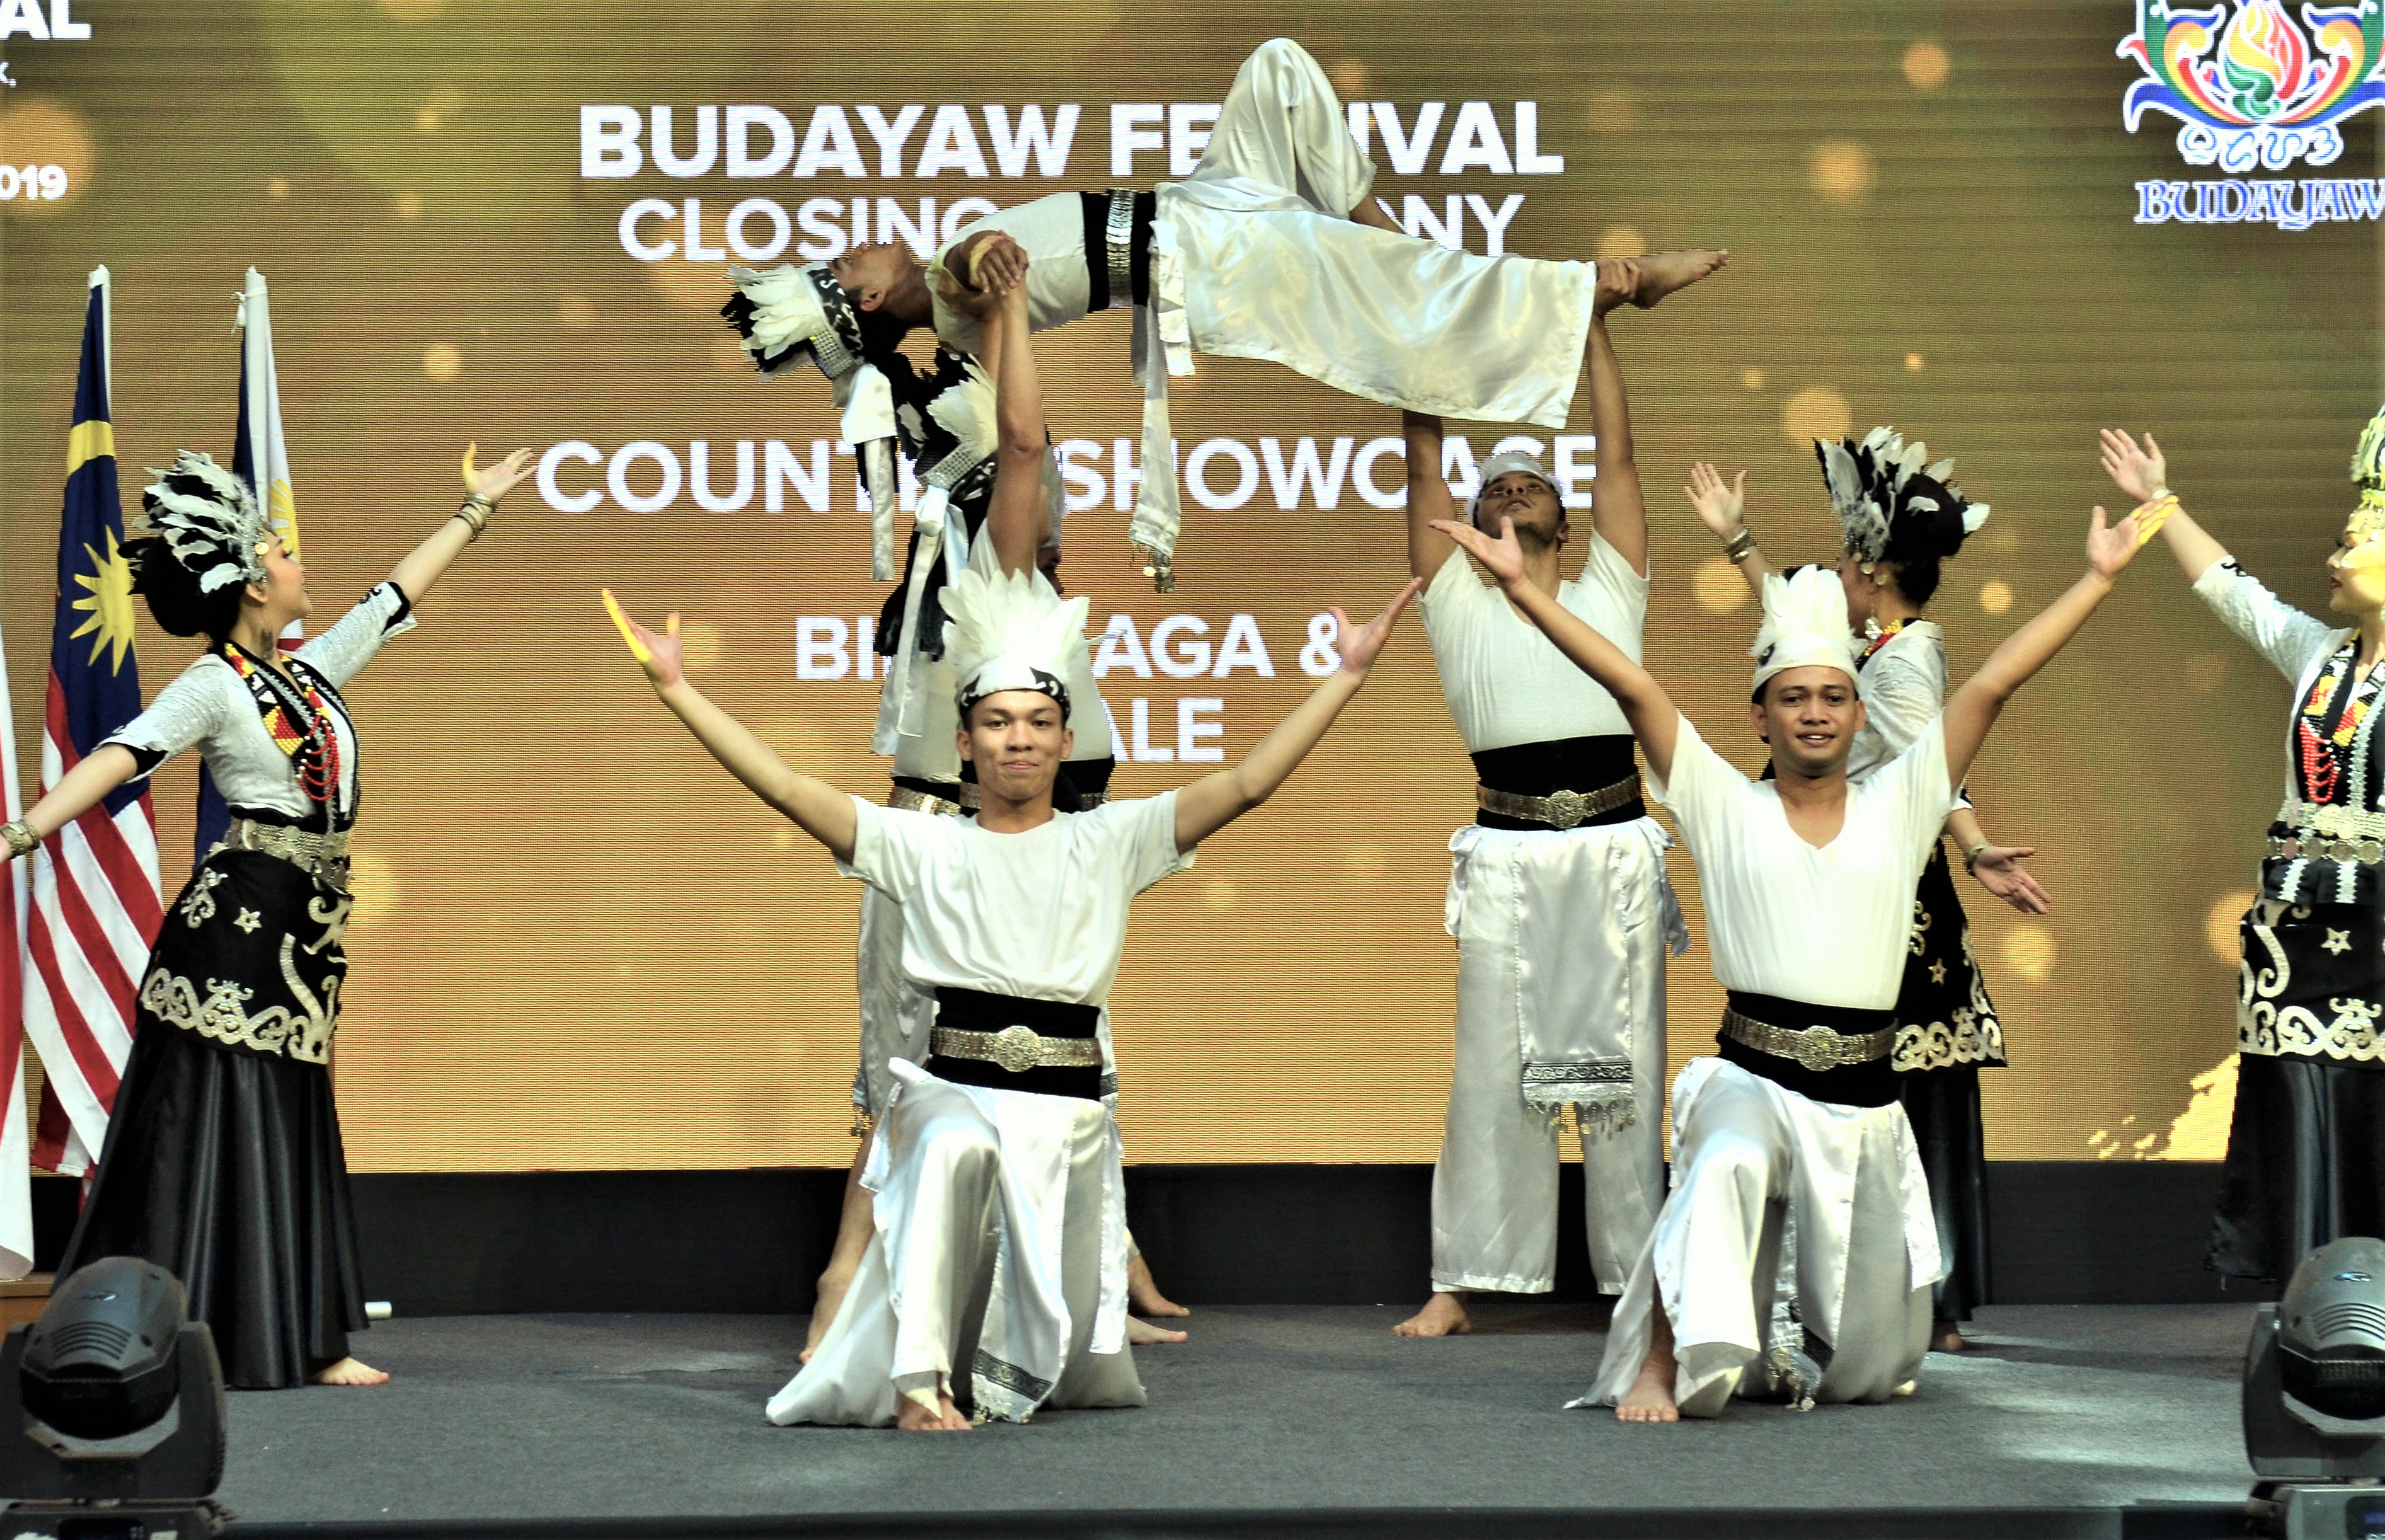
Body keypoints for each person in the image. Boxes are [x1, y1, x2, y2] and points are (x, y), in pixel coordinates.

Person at [606, 315, 1421, 1426]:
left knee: (1068, 1361)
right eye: (998, 724)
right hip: (956, 1089)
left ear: (1063, 735)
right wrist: (679, 692)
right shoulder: (926, 840)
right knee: (943, 1147)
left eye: (1039, 723)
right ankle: (914, 1383)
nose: (1021, 740)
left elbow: (1246, 783)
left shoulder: (1108, 838)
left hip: (1064, 1105)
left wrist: (1346, 678)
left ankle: (1008, 1341)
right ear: (967, 741)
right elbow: (789, 790)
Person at [1431, 489, 2151, 1420]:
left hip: (1865, 1103)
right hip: (1753, 1079)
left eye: (1833, 698)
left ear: (1858, 713)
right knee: (1723, 1160)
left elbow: (1989, 687)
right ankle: (1656, 1364)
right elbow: (1633, 688)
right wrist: (1525, 592)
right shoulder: (1722, 801)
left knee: (1870, 1374)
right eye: (1793, 699)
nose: (1814, 714)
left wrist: (2096, 580)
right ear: (1760, 718)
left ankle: (1801, 1330)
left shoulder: (1903, 802)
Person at [721, 37, 1723, 588]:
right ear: (866, 296)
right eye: (846, 261)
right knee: (1410, 293)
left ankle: (1393, 240)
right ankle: (1610, 282)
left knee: (1277, 69)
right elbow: (982, 268)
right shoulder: (952, 284)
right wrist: (986, 256)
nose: (859, 242)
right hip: (1207, 259)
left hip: (1198, 205)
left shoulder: (954, 296)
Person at [3, 443, 536, 1389]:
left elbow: (391, 599)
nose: (298, 563)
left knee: (288, 1115)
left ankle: (303, 1335)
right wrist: (22, 832)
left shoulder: (308, 673)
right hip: (237, 927)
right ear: (253, 585)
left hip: (304, 928)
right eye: (283, 553)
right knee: (232, 1119)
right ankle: (213, 1333)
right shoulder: (214, 685)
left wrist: (474, 510)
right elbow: (124, 754)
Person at [805, 297, 1185, 1368]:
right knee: (915, 1076)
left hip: (1039, 860)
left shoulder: (1019, 610)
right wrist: (1012, 309)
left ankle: (1086, 1273)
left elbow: (1022, 443)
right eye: (1040, 490)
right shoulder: (994, 585)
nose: (1052, 499)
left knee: (1058, 1065)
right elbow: (1020, 441)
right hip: (960, 852)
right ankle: (846, 1282)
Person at [1684, 428, 2051, 1352]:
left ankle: (1926, 1298)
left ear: (1873, 570)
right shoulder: (1872, 643)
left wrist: (1973, 848)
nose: (1832, 577)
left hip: (1887, 882)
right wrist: (1737, 543)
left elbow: (1935, 766)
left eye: (1845, 565)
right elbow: (1796, 623)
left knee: (1900, 1086)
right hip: (1848, 861)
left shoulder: (1905, 657)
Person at [1390, 275, 1684, 1338]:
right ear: (1468, 524)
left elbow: (1618, 460)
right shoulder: (1455, 600)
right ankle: (1463, 1279)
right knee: (1491, 1073)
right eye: (1494, 489)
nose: (1511, 494)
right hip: (1507, 854)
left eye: (1531, 486)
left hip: (1612, 849)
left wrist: (1594, 325)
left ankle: (1639, 1277)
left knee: (1625, 1075)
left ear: (1565, 521)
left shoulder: (1610, 588)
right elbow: (1421, 464)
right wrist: (1413, 351)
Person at [2100, 420, 2385, 1283]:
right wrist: (2159, 501)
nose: (2333, 558)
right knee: (2296, 1100)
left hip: (2377, 939)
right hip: (2294, 936)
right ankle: (2310, 1288)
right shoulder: (2318, 654)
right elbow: (2232, 591)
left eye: (2354, 543)